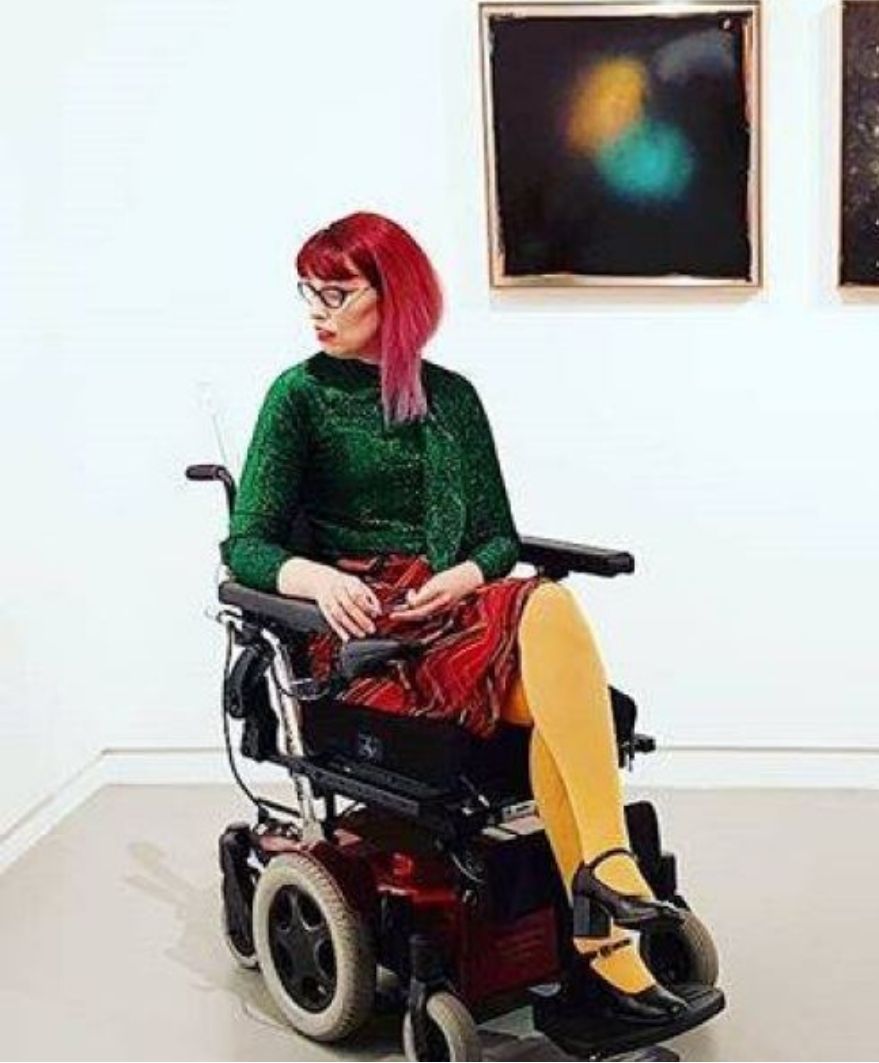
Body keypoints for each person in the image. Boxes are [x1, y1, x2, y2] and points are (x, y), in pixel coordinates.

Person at [226, 210, 688, 1024]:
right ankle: (611, 921)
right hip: (364, 635)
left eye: (336, 291)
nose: (316, 307)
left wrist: (463, 575)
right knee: (551, 637)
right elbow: (249, 545)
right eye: (310, 289)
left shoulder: (450, 399)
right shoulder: (297, 399)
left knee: (547, 610)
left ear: (391, 293)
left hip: (451, 609)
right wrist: (313, 578)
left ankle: (602, 922)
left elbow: (499, 538)